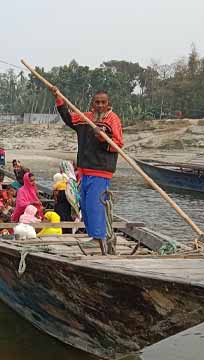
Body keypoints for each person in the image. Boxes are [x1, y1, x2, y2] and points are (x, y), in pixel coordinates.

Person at [50, 87, 124, 255]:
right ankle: (94, 237)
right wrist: (58, 98)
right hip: (85, 170)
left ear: (108, 104)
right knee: (84, 205)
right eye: (97, 102)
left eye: (103, 102)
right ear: (93, 103)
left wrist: (101, 136)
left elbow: (117, 145)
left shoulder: (112, 119)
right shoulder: (85, 118)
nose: (99, 105)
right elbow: (69, 118)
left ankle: (99, 239)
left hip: (101, 170)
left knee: (94, 205)